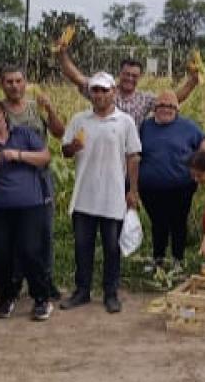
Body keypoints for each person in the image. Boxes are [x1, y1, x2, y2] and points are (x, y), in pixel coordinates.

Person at [60, 72, 142, 314]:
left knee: (111, 248)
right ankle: (82, 291)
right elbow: (65, 150)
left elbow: (133, 157)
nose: (99, 95)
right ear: (90, 93)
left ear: (113, 92)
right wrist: (72, 147)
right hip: (84, 195)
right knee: (82, 247)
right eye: (95, 90)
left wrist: (133, 190)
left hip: (113, 196)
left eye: (104, 90)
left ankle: (111, 293)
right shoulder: (79, 119)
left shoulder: (125, 122)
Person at [0, 98, 56, 321]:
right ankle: (6, 297)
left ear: (4, 114)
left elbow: (45, 157)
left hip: (30, 205)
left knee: (30, 251)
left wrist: (17, 155)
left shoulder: (24, 135)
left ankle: (41, 298)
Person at [0, 64, 65, 300]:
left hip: (39, 177)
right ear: (1, 84)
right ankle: (16, 280)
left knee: (44, 232)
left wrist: (50, 109)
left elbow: (60, 133)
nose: (15, 86)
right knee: (15, 234)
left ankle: (45, 279)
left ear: (25, 83)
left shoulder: (35, 108)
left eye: (18, 81)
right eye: (9, 81)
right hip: (10, 180)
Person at [138, 91, 205, 270]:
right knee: (158, 223)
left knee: (178, 222)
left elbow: (204, 140)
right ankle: (158, 259)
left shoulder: (187, 126)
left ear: (177, 109)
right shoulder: (144, 127)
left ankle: (178, 259)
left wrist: (202, 159)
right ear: (154, 108)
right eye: (162, 105)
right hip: (150, 187)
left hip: (181, 185)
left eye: (171, 106)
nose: (166, 109)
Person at [55, 41, 201, 120]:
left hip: (131, 157)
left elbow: (173, 100)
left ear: (140, 77)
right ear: (120, 73)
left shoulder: (144, 99)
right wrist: (62, 55)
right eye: (126, 74)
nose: (129, 78)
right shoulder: (104, 91)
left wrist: (193, 81)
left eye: (134, 76)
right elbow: (77, 78)